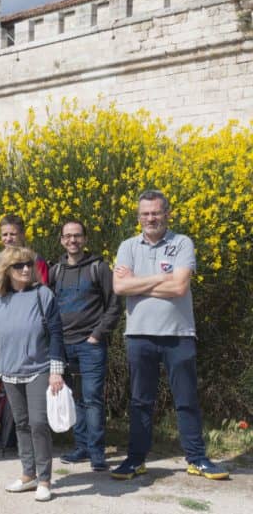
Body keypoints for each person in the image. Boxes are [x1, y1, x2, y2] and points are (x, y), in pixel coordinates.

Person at [110, 190, 228, 481]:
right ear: (138, 217)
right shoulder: (128, 246)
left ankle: (197, 458)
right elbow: (119, 288)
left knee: (186, 399)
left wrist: (138, 283)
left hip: (179, 335)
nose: (151, 218)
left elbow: (179, 288)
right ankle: (135, 460)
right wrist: (162, 277)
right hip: (139, 335)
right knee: (140, 401)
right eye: (145, 214)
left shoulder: (182, 243)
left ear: (167, 214)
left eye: (156, 212)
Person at [0, 246, 66, 503]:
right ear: (6, 271)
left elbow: (56, 334)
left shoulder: (43, 295)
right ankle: (28, 474)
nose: (26, 269)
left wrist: (56, 371)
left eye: (29, 264)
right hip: (9, 373)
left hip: (39, 370)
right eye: (19, 265)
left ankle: (44, 479)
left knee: (39, 424)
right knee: (20, 424)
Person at [50, 219, 121, 472]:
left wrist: (97, 335)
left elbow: (114, 304)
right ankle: (81, 447)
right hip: (63, 346)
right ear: (61, 240)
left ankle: (96, 452)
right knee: (74, 398)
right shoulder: (55, 270)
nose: (72, 240)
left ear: (85, 239)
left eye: (77, 236)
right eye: (68, 236)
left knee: (92, 399)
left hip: (90, 345)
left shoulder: (99, 268)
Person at [0, 213, 47, 455]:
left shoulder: (34, 260)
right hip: (2, 324)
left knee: (24, 387)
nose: (9, 238)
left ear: (22, 234)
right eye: (4, 234)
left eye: (13, 233)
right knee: (1, 384)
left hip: (26, 328)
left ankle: (19, 440)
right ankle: (6, 436)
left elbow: (40, 289)